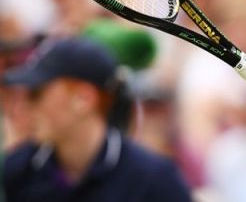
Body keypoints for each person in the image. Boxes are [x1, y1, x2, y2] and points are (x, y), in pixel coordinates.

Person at [2, 36, 192, 202]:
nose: (23, 106)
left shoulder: (155, 181)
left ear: (83, 99)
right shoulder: (18, 172)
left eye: (36, 93)